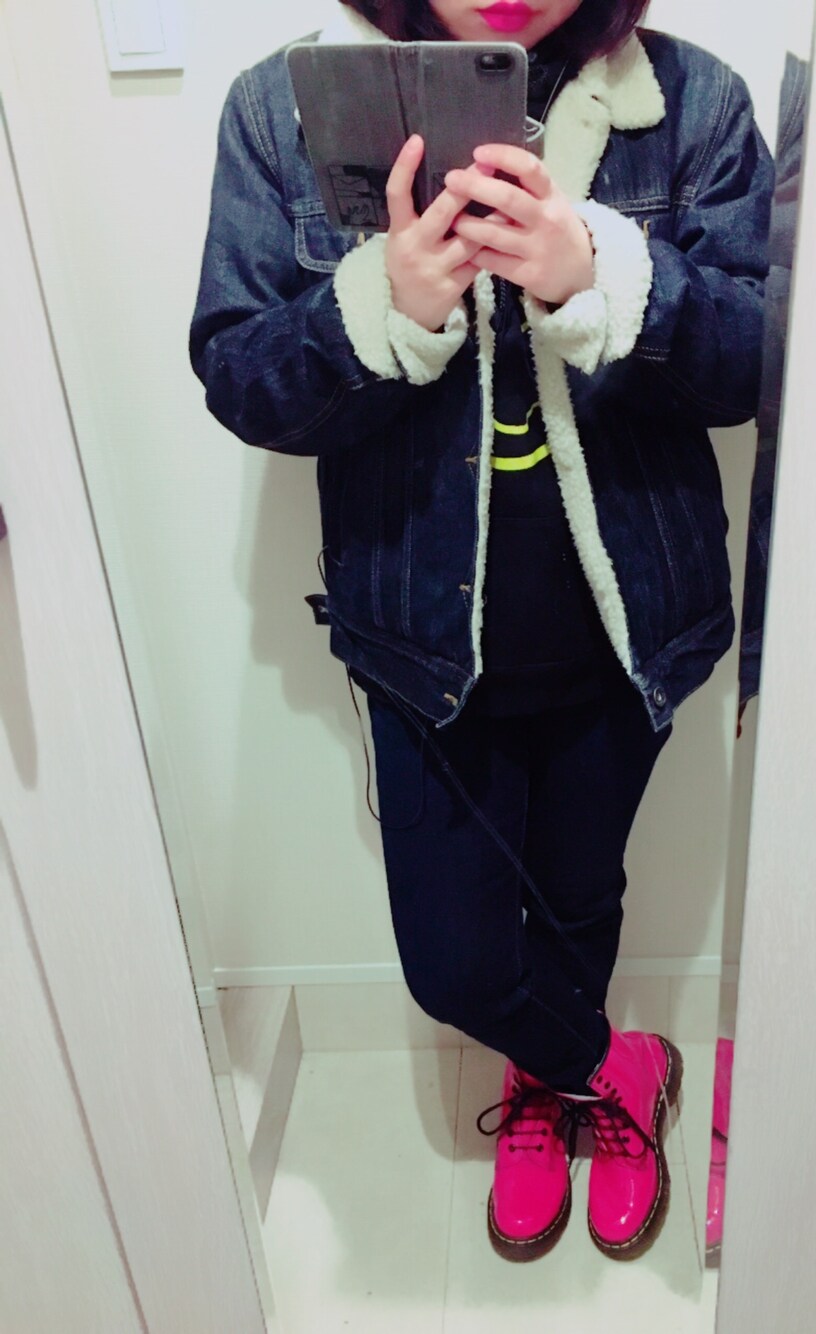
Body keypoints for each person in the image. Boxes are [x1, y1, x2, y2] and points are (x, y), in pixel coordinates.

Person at [190, 0, 773, 1263]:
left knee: (579, 899)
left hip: (628, 632)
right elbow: (239, 372)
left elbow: (760, 364)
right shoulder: (284, 110)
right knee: (453, 962)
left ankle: (550, 1084)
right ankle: (602, 1063)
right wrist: (377, 305)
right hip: (419, 645)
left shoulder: (694, 106)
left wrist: (605, 272)